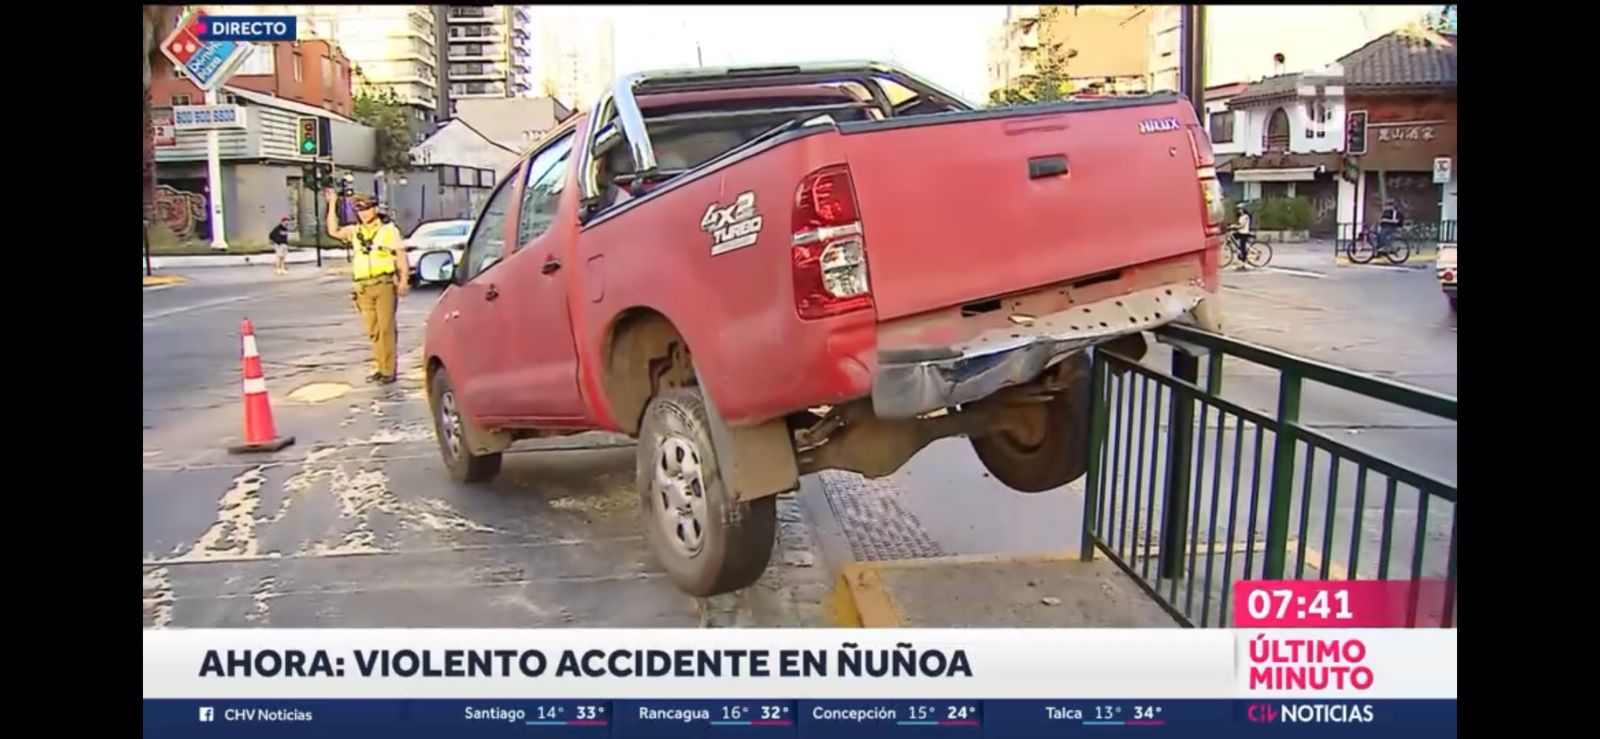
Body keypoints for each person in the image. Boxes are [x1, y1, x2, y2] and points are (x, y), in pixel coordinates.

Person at [325, 189, 410, 384]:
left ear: (375, 209)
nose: (363, 214)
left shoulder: (388, 230)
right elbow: (333, 231)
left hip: (383, 283)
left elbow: (400, 255)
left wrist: (404, 278)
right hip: (363, 286)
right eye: (360, 211)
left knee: (386, 327)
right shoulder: (356, 232)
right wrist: (332, 204)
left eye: (367, 209)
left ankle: (389, 370)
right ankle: (380, 366)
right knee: (373, 329)